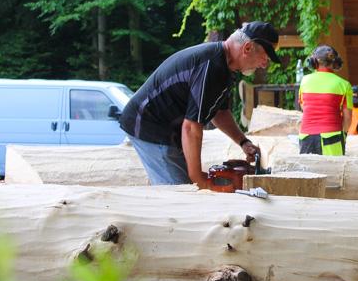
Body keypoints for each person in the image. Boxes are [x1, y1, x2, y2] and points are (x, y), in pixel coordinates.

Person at [120, 21, 281, 189]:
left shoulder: (226, 68)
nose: (264, 65)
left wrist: (243, 142)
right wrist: (198, 179)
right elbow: (190, 127)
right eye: (264, 58)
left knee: (186, 188)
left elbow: (219, 112)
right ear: (247, 48)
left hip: (167, 127)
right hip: (149, 124)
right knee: (181, 194)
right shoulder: (212, 66)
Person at [298, 45, 352, 156]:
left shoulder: (304, 81)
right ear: (336, 63)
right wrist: (344, 133)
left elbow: (304, 107)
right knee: (333, 171)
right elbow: (347, 117)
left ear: (313, 62)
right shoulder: (344, 85)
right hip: (333, 136)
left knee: (307, 172)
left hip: (306, 136)